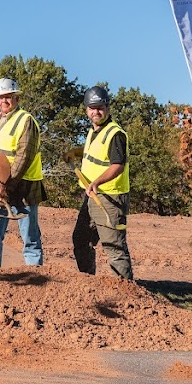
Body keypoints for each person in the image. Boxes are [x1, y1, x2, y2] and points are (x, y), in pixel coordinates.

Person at [0, 77, 46, 267]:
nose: (4, 101)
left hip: (23, 186)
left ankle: (35, 276)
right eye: (1, 98)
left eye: (8, 97)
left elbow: (24, 157)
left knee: (30, 237)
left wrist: (5, 184)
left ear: (16, 98)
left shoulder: (26, 120)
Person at [73, 85, 135, 280]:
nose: (96, 112)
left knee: (114, 246)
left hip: (110, 198)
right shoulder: (93, 132)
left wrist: (97, 183)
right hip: (93, 197)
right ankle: (89, 282)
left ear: (107, 107)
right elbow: (96, 157)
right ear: (86, 110)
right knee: (81, 239)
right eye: (92, 108)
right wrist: (74, 154)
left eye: (100, 107)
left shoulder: (115, 134)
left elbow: (118, 166)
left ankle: (126, 291)